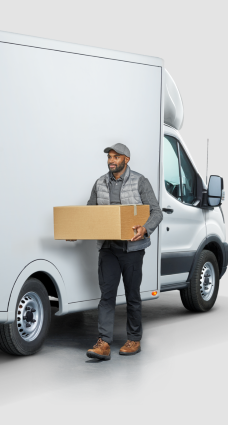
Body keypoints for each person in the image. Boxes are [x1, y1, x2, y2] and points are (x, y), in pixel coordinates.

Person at [68, 143, 163, 360]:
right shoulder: (100, 183)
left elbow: (156, 212)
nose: (111, 160)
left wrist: (145, 229)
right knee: (107, 296)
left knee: (132, 295)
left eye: (116, 157)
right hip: (108, 248)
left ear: (126, 160)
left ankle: (134, 339)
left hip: (132, 249)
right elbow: (90, 214)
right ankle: (104, 342)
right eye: (109, 157)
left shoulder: (140, 181)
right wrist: (76, 231)